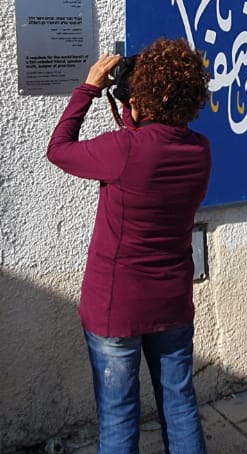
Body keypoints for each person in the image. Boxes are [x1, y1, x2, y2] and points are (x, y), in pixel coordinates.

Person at [47, 38, 212, 454]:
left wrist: (88, 88)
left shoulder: (124, 149)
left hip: (115, 307)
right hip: (171, 302)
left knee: (119, 415)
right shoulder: (200, 150)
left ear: (141, 96)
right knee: (180, 404)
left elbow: (59, 150)